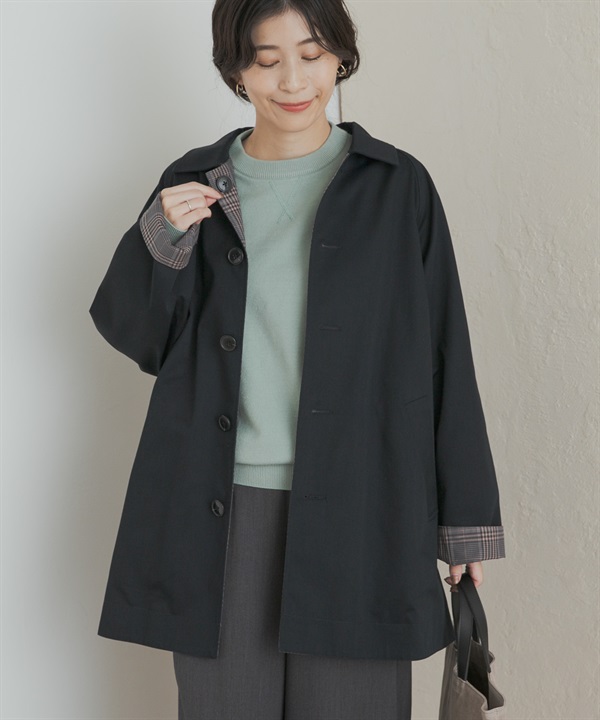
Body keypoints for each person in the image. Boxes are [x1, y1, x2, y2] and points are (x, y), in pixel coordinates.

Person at [90, 0, 506, 718]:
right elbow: (140, 337)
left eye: (311, 55)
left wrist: (464, 520)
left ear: (340, 56)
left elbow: (445, 351)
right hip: (221, 511)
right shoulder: (194, 182)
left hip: (365, 505)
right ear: (236, 69)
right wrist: (161, 239)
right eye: (266, 59)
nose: (292, 80)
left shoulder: (396, 184)